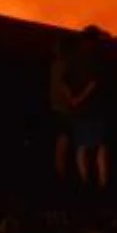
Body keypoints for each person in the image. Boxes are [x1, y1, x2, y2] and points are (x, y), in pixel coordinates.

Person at [64, 26, 109, 189]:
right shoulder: (95, 57)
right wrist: (80, 99)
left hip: (82, 109)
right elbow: (93, 83)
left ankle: (85, 183)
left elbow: (65, 81)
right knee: (100, 146)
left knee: (81, 146)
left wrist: (73, 99)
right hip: (94, 108)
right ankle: (102, 183)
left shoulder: (73, 57)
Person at [49, 37, 74, 181]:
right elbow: (64, 86)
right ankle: (60, 174)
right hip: (61, 108)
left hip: (59, 108)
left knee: (60, 142)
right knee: (62, 142)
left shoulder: (58, 65)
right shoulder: (62, 65)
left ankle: (59, 173)